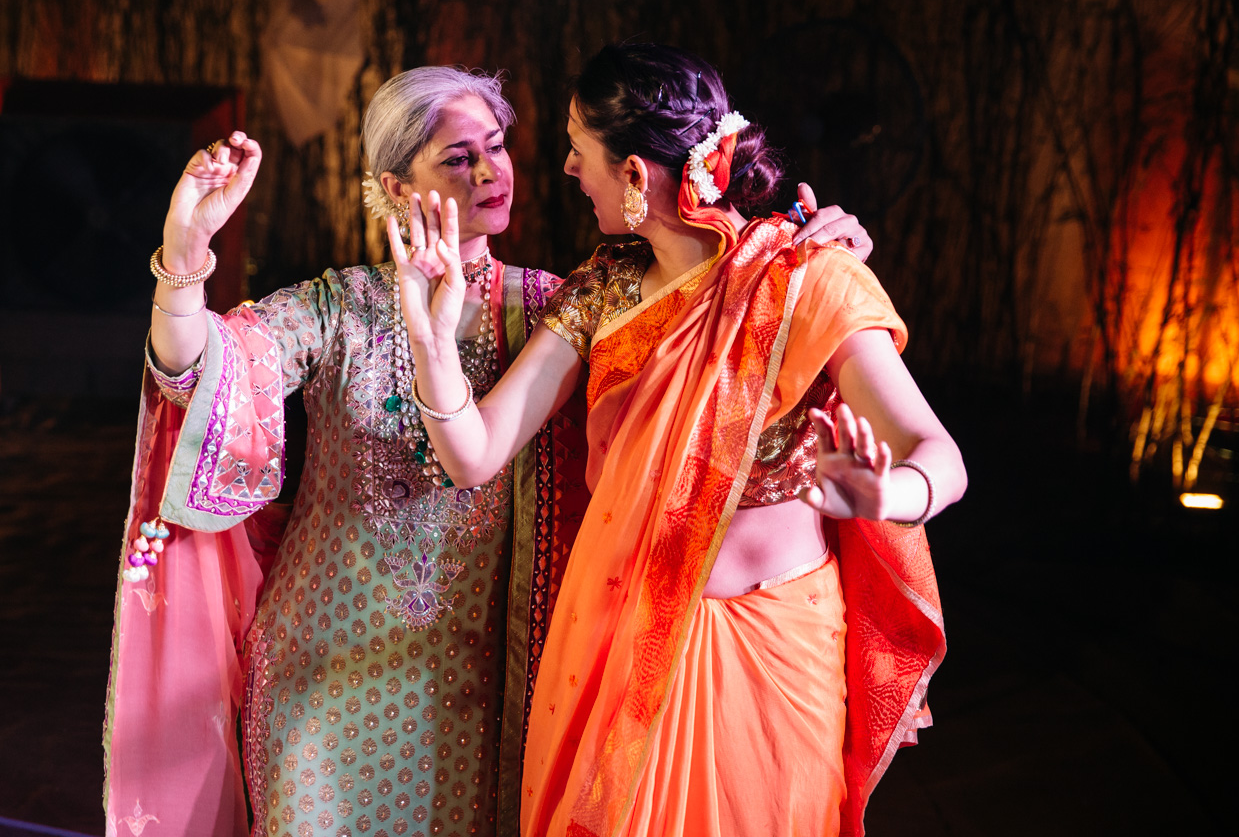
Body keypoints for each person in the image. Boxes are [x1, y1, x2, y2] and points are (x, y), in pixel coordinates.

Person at [101, 65, 873, 837]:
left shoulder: (560, 304)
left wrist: (804, 256)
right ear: (396, 186)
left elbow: (706, 311)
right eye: (457, 157)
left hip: (492, 684)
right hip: (324, 676)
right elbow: (193, 374)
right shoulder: (338, 309)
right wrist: (185, 255)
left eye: (496, 147)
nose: (489, 172)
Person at [391, 44, 965, 837]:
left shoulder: (804, 276)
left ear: (632, 176)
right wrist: (430, 338)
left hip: (775, 656)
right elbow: (473, 453)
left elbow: (940, 456)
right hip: (622, 642)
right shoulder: (604, 290)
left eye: (578, 149)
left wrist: (884, 495)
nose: (564, 167)